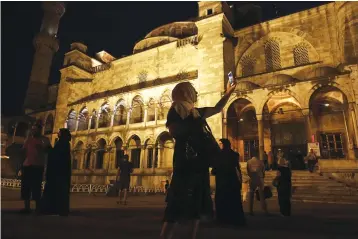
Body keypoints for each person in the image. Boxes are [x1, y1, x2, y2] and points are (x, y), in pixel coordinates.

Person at [160, 81, 236, 239]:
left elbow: (217, 108)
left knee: (197, 202)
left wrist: (228, 92)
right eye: (193, 90)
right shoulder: (176, 110)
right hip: (185, 161)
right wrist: (194, 125)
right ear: (185, 92)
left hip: (199, 163)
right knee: (177, 203)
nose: (196, 92)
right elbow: (175, 132)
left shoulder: (195, 112)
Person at [211, 139, 246, 227]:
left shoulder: (219, 155)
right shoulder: (234, 154)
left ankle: (222, 218)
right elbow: (237, 168)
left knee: (221, 199)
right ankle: (234, 218)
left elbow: (214, 169)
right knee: (233, 200)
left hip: (222, 180)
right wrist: (240, 180)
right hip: (232, 180)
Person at [20, 121, 52, 214]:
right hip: (27, 165)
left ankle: (38, 208)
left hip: (37, 166)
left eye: (35, 130)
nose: (33, 131)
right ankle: (27, 208)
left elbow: (49, 150)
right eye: (32, 129)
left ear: (40, 130)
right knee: (26, 187)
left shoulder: (45, 140)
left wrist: (42, 148)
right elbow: (23, 151)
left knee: (36, 187)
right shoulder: (28, 139)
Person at [41, 128, 72, 216]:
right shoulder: (64, 143)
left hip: (58, 173)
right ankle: (58, 209)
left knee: (57, 190)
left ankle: (55, 209)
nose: (58, 134)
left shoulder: (63, 143)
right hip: (61, 172)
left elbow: (57, 155)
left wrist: (48, 148)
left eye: (59, 133)